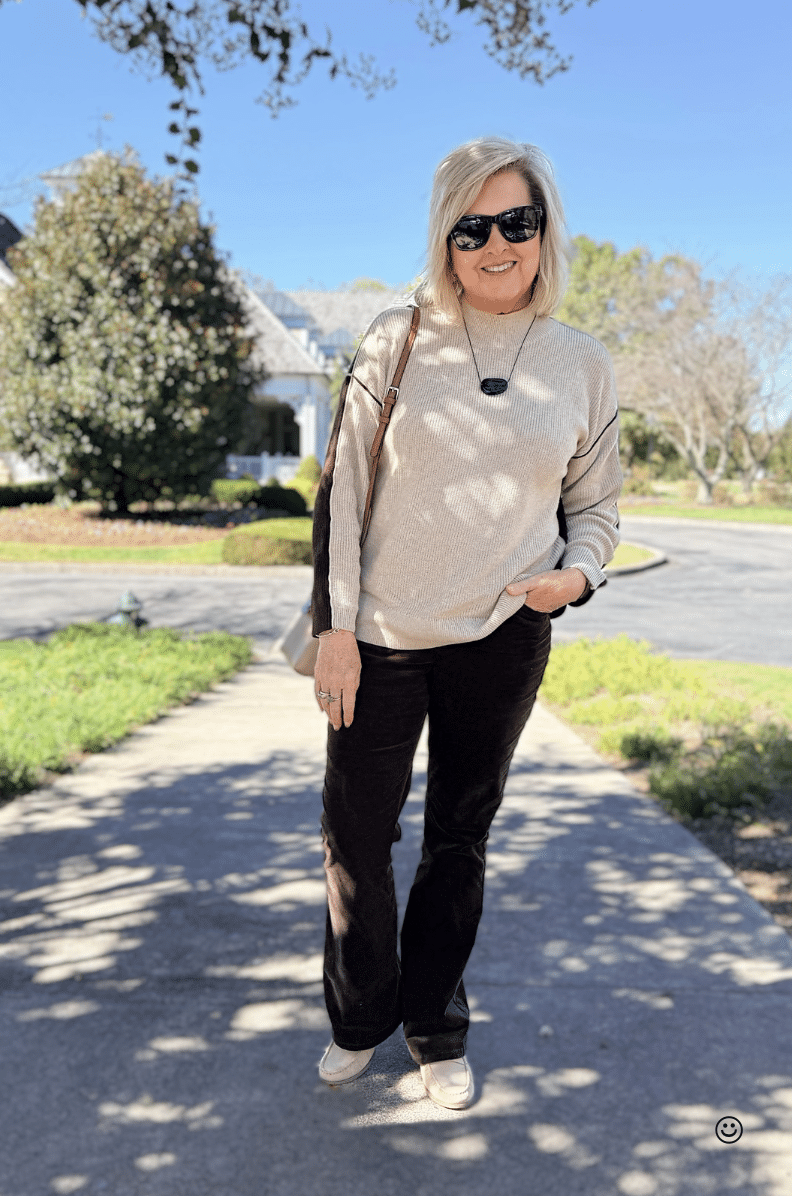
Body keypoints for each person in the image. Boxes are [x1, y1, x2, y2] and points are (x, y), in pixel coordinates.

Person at [310, 136, 622, 1110]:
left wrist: (576, 576)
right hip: (384, 638)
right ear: (446, 236)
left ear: (544, 232)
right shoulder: (393, 338)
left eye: (516, 223)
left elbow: (599, 508)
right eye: (472, 226)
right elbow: (343, 490)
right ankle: (361, 1013)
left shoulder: (583, 363)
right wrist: (336, 626)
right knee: (356, 835)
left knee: (458, 836)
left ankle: (434, 1025)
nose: (496, 244)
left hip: (504, 635)